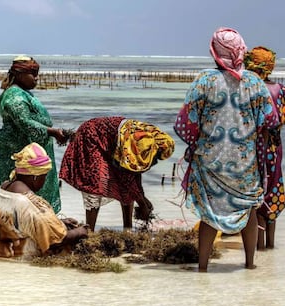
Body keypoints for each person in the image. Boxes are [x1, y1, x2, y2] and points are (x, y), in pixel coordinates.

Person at [174, 27, 280, 272]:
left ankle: (203, 267)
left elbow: (186, 121)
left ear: (215, 53)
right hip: (246, 161)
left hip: (210, 159)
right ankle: (250, 264)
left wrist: (198, 142)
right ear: (241, 50)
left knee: (209, 211)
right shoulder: (254, 81)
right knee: (249, 207)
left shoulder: (204, 80)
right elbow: (270, 120)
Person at [59, 116, 175, 232]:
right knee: (95, 183)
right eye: (156, 157)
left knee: (127, 185)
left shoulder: (152, 139)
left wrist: (142, 199)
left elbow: (133, 176)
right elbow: (126, 179)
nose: (155, 161)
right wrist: (143, 204)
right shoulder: (140, 142)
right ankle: (89, 233)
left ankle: (127, 230)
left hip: (112, 142)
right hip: (91, 138)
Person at [0, 55, 67, 214]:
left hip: (26, 148)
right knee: (16, 192)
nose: (37, 78)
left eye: (37, 73)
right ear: (19, 74)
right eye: (33, 73)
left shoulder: (23, 92)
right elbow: (24, 122)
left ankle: (35, 223)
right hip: (16, 151)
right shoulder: (14, 95)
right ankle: (19, 226)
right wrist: (52, 132)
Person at [0, 142, 88, 259]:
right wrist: (80, 232)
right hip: (20, 262)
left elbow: (23, 223)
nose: (44, 180)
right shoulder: (32, 204)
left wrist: (59, 222)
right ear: (35, 176)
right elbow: (54, 241)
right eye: (44, 176)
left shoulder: (4, 188)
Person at [243, 46, 285, 250]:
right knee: (273, 187)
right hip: (274, 148)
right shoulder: (278, 90)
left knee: (256, 191)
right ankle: (269, 246)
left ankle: (257, 246)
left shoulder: (247, 89)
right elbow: (280, 120)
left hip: (251, 147)